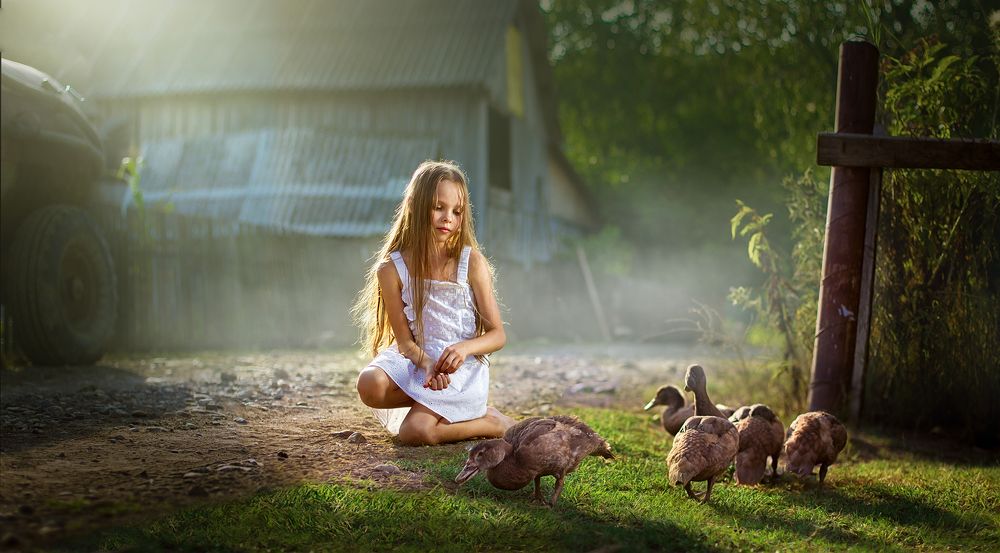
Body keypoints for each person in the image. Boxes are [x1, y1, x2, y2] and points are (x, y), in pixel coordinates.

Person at [353, 160, 514, 445]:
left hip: (459, 369)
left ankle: (490, 422)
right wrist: (426, 363)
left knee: (416, 433)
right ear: (415, 205)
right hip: (416, 360)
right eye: (438, 207)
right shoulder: (391, 269)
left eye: (457, 211)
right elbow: (404, 342)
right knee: (369, 385)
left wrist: (464, 349)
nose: (448, 218)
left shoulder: (471, 263)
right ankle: (429, 401)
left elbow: (497, 335)